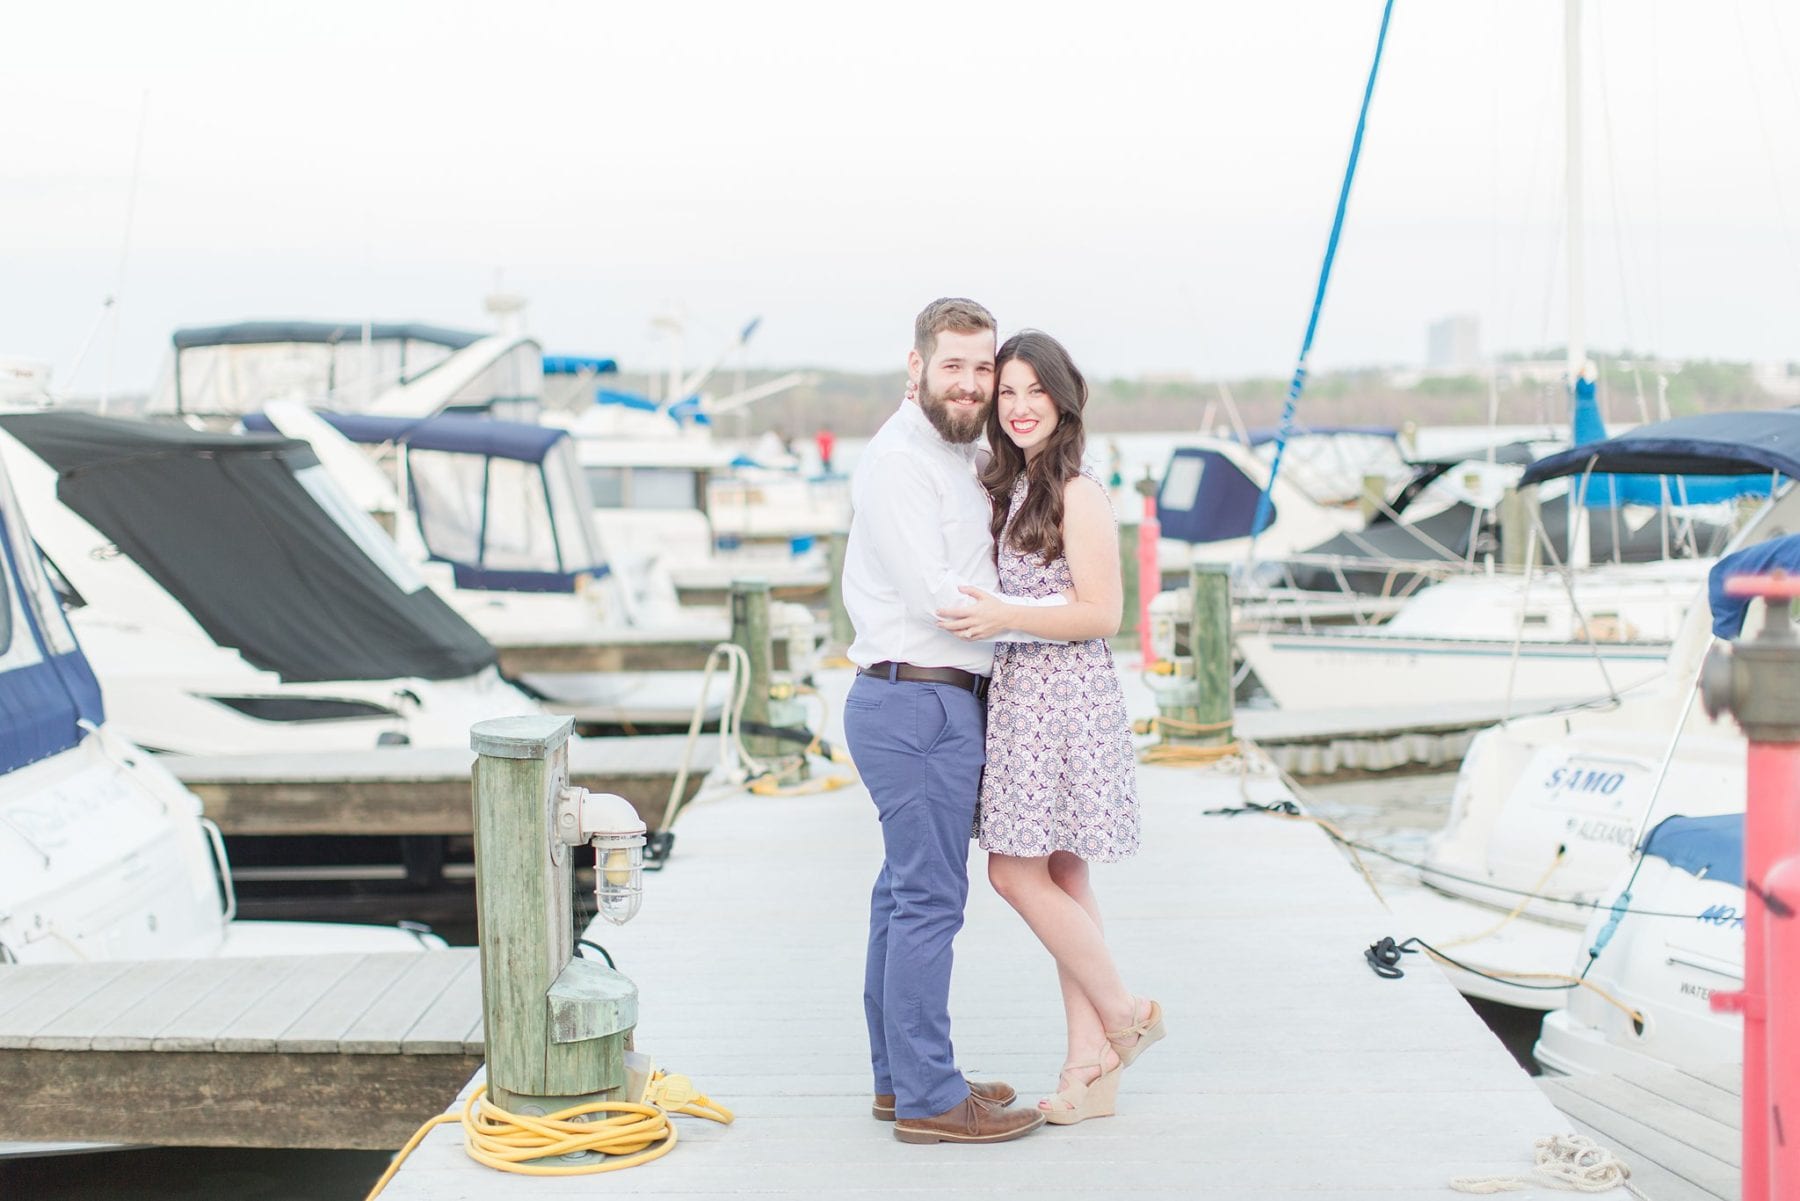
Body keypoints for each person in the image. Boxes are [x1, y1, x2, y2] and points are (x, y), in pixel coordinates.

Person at [935, 329, 1164, 1126]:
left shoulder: (1079, 491)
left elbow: (1103, 612)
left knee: (1013, 871)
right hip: (1024, 696)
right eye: (1009, 393)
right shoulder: (1016, 485)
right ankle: (1087, 1067)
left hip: (1063, 699)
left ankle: (1126, 1012)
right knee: (1063, 877)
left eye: (1036, 390)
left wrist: (1004, 614)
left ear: (1063, 399)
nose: (1021, 406)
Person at [839, 298, 1051, 1146]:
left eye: (982, 368)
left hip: (925, 698)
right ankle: (929, 1096)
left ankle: (904, 1079)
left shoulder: (957, 455)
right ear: (916, 366)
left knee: (902, 894)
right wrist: (1059, 613)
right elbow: (942, 599)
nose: (969, 384)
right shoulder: (900, 461)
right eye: (952, 366)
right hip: (917, 696)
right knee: (928, 899)